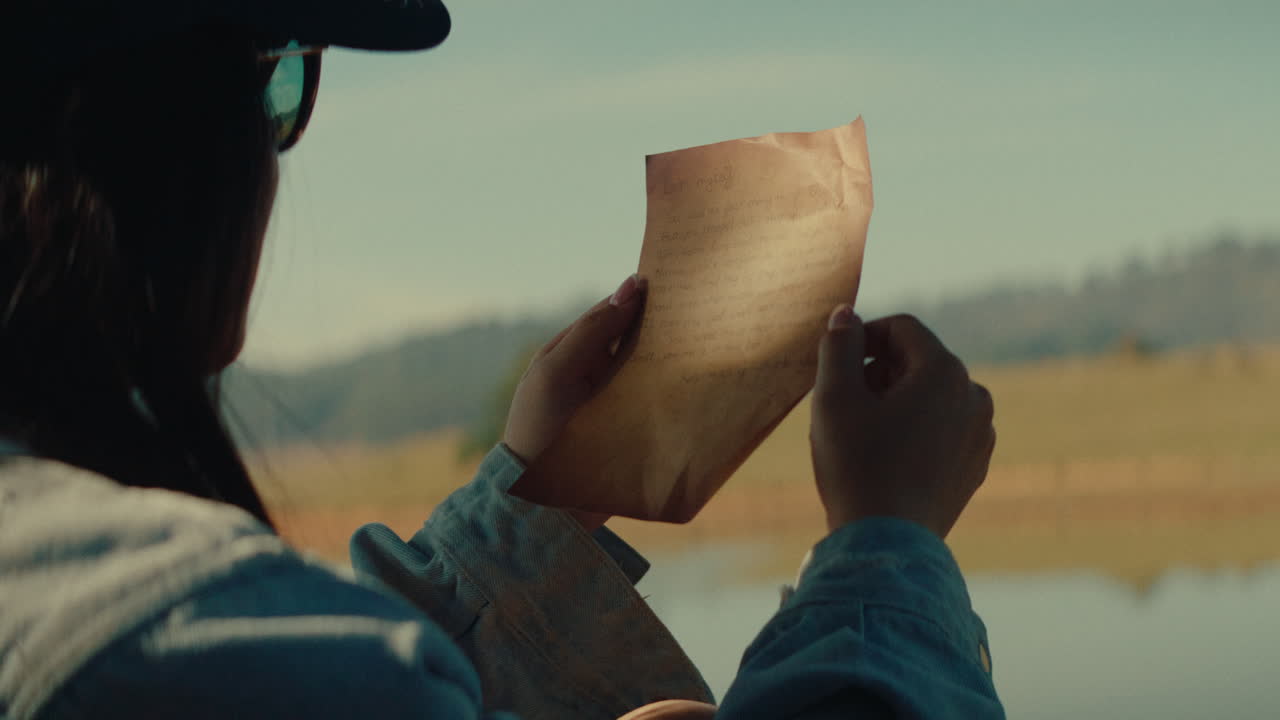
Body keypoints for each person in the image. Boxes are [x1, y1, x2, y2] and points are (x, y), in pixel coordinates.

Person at [0, 1, 1004, 718]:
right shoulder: (175, 645)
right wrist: (887, 544)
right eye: (279, 72)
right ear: (154, 133)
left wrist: (532, 499)